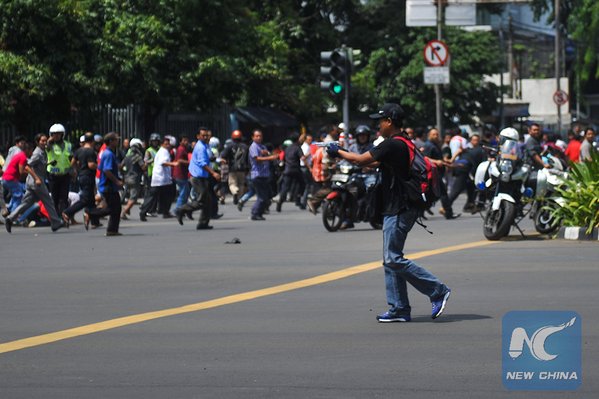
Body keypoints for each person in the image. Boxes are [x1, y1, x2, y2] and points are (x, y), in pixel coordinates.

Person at [326, 103, 451, 323]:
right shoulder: (401, 143)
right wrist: (345, 157)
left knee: (393, 257)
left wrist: (337, 150)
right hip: (397, 206)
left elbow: (361, 159)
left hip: (401, 207)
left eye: (380, 121)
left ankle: (437, 290)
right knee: (389, 259)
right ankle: (399, 309)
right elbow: (371, 164)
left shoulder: (393, 144)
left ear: (390, 122)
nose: (378, 126)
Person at [5, 133, 66, 233]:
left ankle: (10, 218)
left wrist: (49, 163)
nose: (44, 142)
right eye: (42, 141)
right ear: (37, 142)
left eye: (45, 140)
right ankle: (55, 222)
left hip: (33, 182)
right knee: (48, 200)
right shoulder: (37, 153)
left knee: (26, 203)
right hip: (36, 182)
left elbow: (39, 165)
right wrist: (36, 178)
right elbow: (27, 166)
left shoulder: (42, 152)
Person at [175, 127, 220, 229]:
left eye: (206, 135)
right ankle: (181, 209)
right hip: (197, 177)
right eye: (203, 135)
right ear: (198, 136)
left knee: (208, 201)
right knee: (202, 201)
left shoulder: (205, 145)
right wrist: (214, 173)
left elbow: (208, 158)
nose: (205, 137)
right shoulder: (200, 147)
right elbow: (202, 163)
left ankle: (203, 224)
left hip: (203, 177)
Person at [86, 132, 123, 236]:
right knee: (112, 208)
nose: (117, 141)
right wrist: (117, 181)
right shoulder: (108, 154)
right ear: (111, 141)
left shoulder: (109, 153)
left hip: (110, 186)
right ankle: (90, 213)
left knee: (116, 208)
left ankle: (112, 230)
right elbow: (107, 170)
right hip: (108, 186)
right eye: (116, 140)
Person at [62, 133, 98, 225]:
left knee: (91, 200)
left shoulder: (79, 151)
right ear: (92, 141)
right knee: (85, 200)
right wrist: (99, 166)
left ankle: (94, 221)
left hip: (81, 175)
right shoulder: (90, 151)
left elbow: (72, 162)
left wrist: (78, 169)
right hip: (88, 176)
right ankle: (68, 212)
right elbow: (91, 165)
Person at [422, 128, 458, 219]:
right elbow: (424, 158)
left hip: (437, 172)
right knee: (443, 193)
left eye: (437, 134)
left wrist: (446, 163)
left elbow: (439, 159)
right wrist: (436, 162)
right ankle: (448, 213)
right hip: (432, 172)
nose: (436, 136)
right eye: (434, 134)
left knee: (434, 193)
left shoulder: (435, 145)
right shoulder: (428, 145)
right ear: (429, 135)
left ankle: (421, 209)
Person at [140, 137, 178, 220]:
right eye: (166, 144)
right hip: (160, 179)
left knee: (166, 195)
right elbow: (163, 163)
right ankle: (144, 211)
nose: (168, 145)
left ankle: (165, 212)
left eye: (169, 143)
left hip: (163, 179)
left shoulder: (163, 151)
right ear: (162, 144)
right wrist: (173, 164)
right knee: (154, 196)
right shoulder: (163, 152)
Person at [248, 129, 278, 221]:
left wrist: (268, 154)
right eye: (257, 136)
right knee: (262, 196)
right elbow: (256, 158)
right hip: (258, 174)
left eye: (260, 136)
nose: (259, 138)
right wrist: (270, 157)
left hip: (264, 174)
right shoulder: (253, 147)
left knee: (266, 196)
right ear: (253, 137)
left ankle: (257, 212)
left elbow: (267, 153)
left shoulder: (262, 146)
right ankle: (255, 213)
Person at [46, 123, 73, 215]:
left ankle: (64, 216)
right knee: (55, 197)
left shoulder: (68, 145)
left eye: (58, 133)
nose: (56, 136)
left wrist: (73, 170)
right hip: (53, 175)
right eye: (54, 134)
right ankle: (55, 217)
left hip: (65, 174)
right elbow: (47, 148)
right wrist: (49, 142)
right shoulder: (50, 145)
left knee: (64, 197)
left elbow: (71, 158)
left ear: (62, 134)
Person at [276, 134, 306, 212]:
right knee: (302, 184)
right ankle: (298, 199)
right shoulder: (297, 147)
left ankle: (280, 202)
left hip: (287, 169)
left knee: (285, 187)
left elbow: (283, 158)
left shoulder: (287, 148)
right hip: (296, 170)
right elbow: (302, 158)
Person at [220, 130, 249, 205]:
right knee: (241, 183)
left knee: (232, 184)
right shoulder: (245, 147)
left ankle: (235, 192)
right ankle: (239, 197)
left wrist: (225, 161)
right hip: (242, 168)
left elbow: (223, 155)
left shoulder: (229, 146)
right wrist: (248, 168)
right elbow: (248, 159)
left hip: (232, 168)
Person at [121, 138, 146, 219]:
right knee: (133, 197)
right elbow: (143, 167)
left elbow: (121, 166)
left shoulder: (127, 156)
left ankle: (127, 209)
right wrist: (147, 163)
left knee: (129, 195)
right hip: (135, 178)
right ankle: (124, 211)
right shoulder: (137, 157)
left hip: (127, 177)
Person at [173, 135, 191, 212]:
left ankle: (182, 209)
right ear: (180, 142)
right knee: (183, 193)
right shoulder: (181, 149)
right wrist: (190, 163)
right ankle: (177, 210)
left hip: (183, 174)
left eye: (187, 140)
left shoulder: (184, 149)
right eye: (184, 140)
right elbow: (179, 160)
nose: (186, 142)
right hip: (180, 174)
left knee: (185, 192)